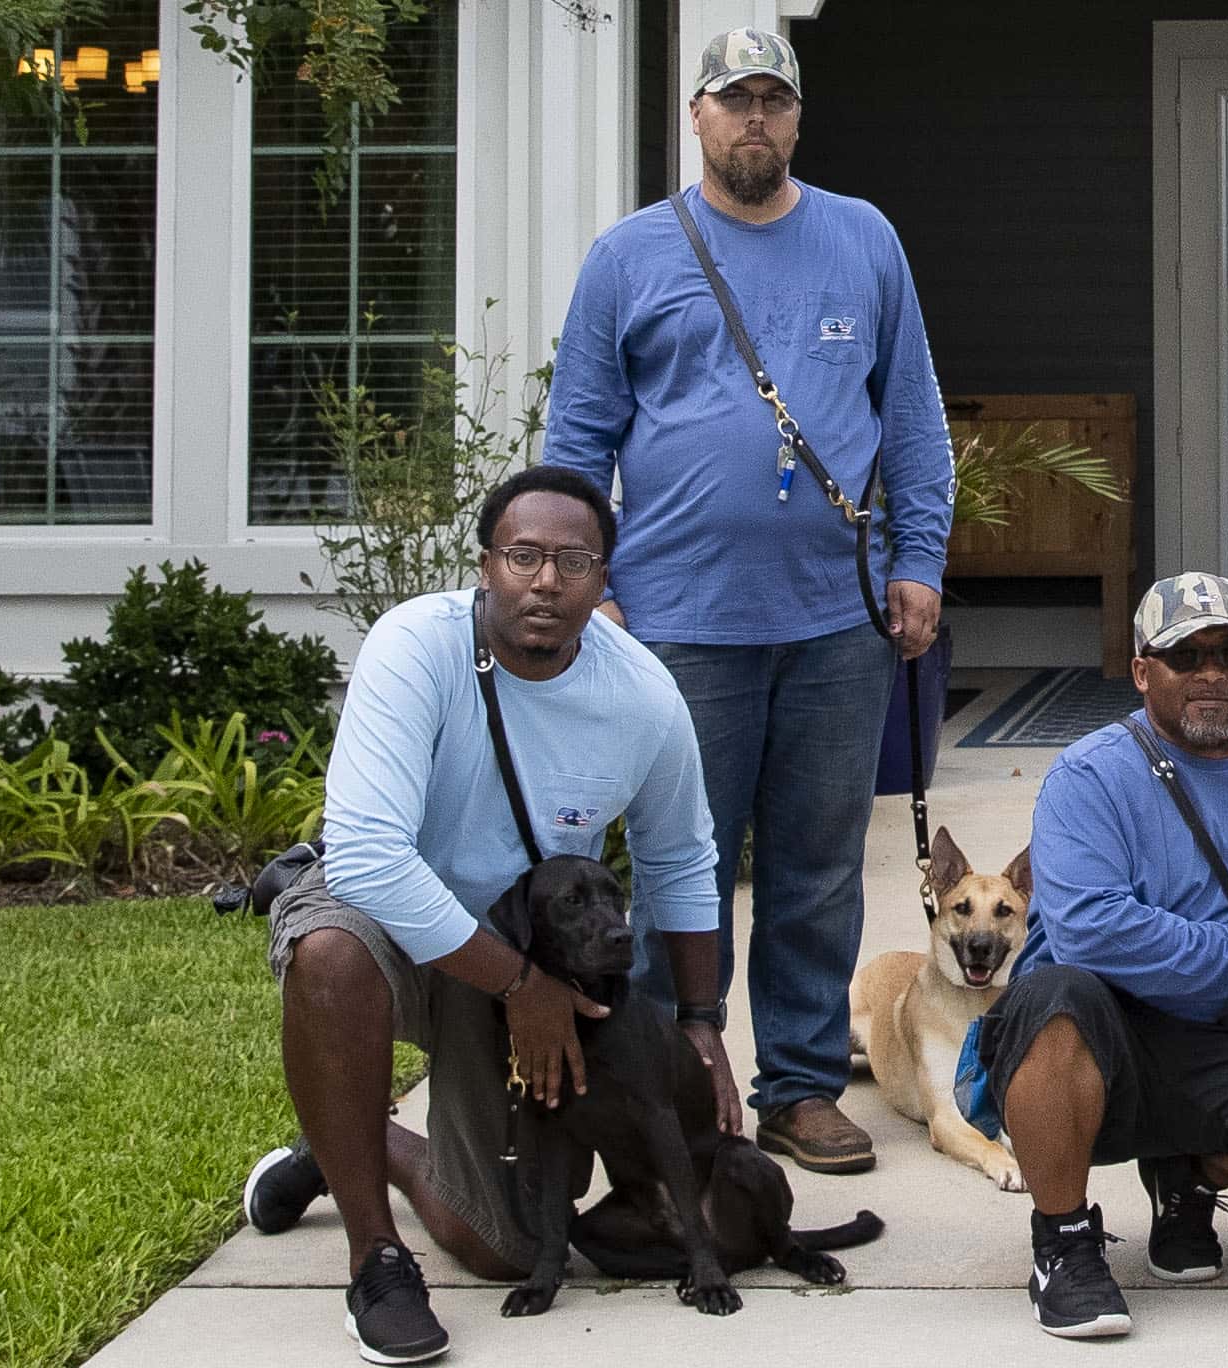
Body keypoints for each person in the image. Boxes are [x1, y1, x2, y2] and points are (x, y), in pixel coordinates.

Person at [541, 26, 955, 1176]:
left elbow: (913, 420)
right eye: (735, 100)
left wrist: (920, 563)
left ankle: (801, 1088)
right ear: (699, 116)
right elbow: (575, 446)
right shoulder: (627, 257)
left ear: (798, 117)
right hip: (675, 625)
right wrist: (588, 589)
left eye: (774, 98)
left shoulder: (864, 240)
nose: (755, 118)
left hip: (839, 620)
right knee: (683, 868)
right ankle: (668, 1081)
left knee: (818, 871)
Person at [228, 467, 726, 1365]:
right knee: (330, 954)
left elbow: (682, 859)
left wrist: (700, 1023)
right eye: (523, 556)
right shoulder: (414, 647)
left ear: (604, 578)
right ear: (486, 565)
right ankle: (376, 1262)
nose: (546, 581)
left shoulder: (642, 697)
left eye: (574, 561)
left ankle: (354, 1144)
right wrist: (523, 987)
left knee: (507, 1246)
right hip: (387, 913)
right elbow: (371, 858)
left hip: (514, 945)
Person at [978, 571, 1228, 1338]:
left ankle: (1186, 1167)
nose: (1211, 674)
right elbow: (1090, 929)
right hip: (1097, 1030)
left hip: (1220, 1030)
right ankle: (1063, 1242)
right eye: (1185, 656)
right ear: (1142, 672)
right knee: (1056, 995)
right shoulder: (1089, 776)